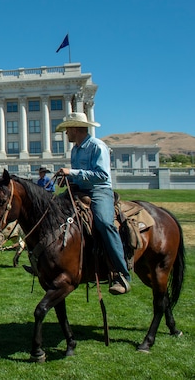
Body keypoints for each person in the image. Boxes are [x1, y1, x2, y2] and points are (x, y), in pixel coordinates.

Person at [56, 111, 131, 295]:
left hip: (100, 190)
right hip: (79, 190)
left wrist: (72, 173)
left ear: (75, 129)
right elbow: (78, 177)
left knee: (104, 223)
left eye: (67, 130)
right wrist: (67, 180)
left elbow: (102, 176)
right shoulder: (75, 149)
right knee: (53, 213)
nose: (66, 134)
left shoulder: (98, 146)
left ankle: (121, 273)